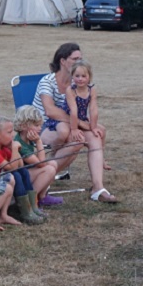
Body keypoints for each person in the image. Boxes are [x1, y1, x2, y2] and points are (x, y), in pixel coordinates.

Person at [33, 42, 112, 197]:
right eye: (75, 59)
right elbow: (50, 111)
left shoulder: (79, 82)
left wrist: (89, 125)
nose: (79, 62)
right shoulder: (47, 81)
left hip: (70, 124)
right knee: (76, 140)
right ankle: (42, 178)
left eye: (80, 59)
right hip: (44, 126)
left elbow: (90, 107)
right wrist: (81, 124)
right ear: (63, 61)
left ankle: (98, 188)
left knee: (95, 136)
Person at [65, 59, 118, 202]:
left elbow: (93, 109)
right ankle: (101, 161)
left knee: (101, 130)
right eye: (77, 76)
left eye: (84, 76)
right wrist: (74, 129)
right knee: (97, 132)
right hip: (70, 119)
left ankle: (102, 160)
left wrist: (93, 126)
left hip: (83, 119)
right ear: (72, 76)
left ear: (89, 77)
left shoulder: (91, 89)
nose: (80, 79)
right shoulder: (71, 90)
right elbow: (73, 111)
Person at [0, 115, 44, 225]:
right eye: (9, 132)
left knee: (23, 171)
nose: (12, 135)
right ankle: (25, 211)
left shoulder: (4, 147)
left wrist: (14, 150)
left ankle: (32, 206)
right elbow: (12, 168)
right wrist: (15, 149)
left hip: (5, 179)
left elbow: (20, 165)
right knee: (16, 175)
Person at [13, 106, 60, 206]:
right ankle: (30, 201)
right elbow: (41, 164)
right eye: (36, 125)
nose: (40, 128)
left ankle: (42, 196)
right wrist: (39, 141)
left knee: (53, 163)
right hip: (20, 178)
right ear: (24, 126)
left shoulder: (26, 139)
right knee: (49, 169)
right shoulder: (19, 144)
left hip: (26, 173)